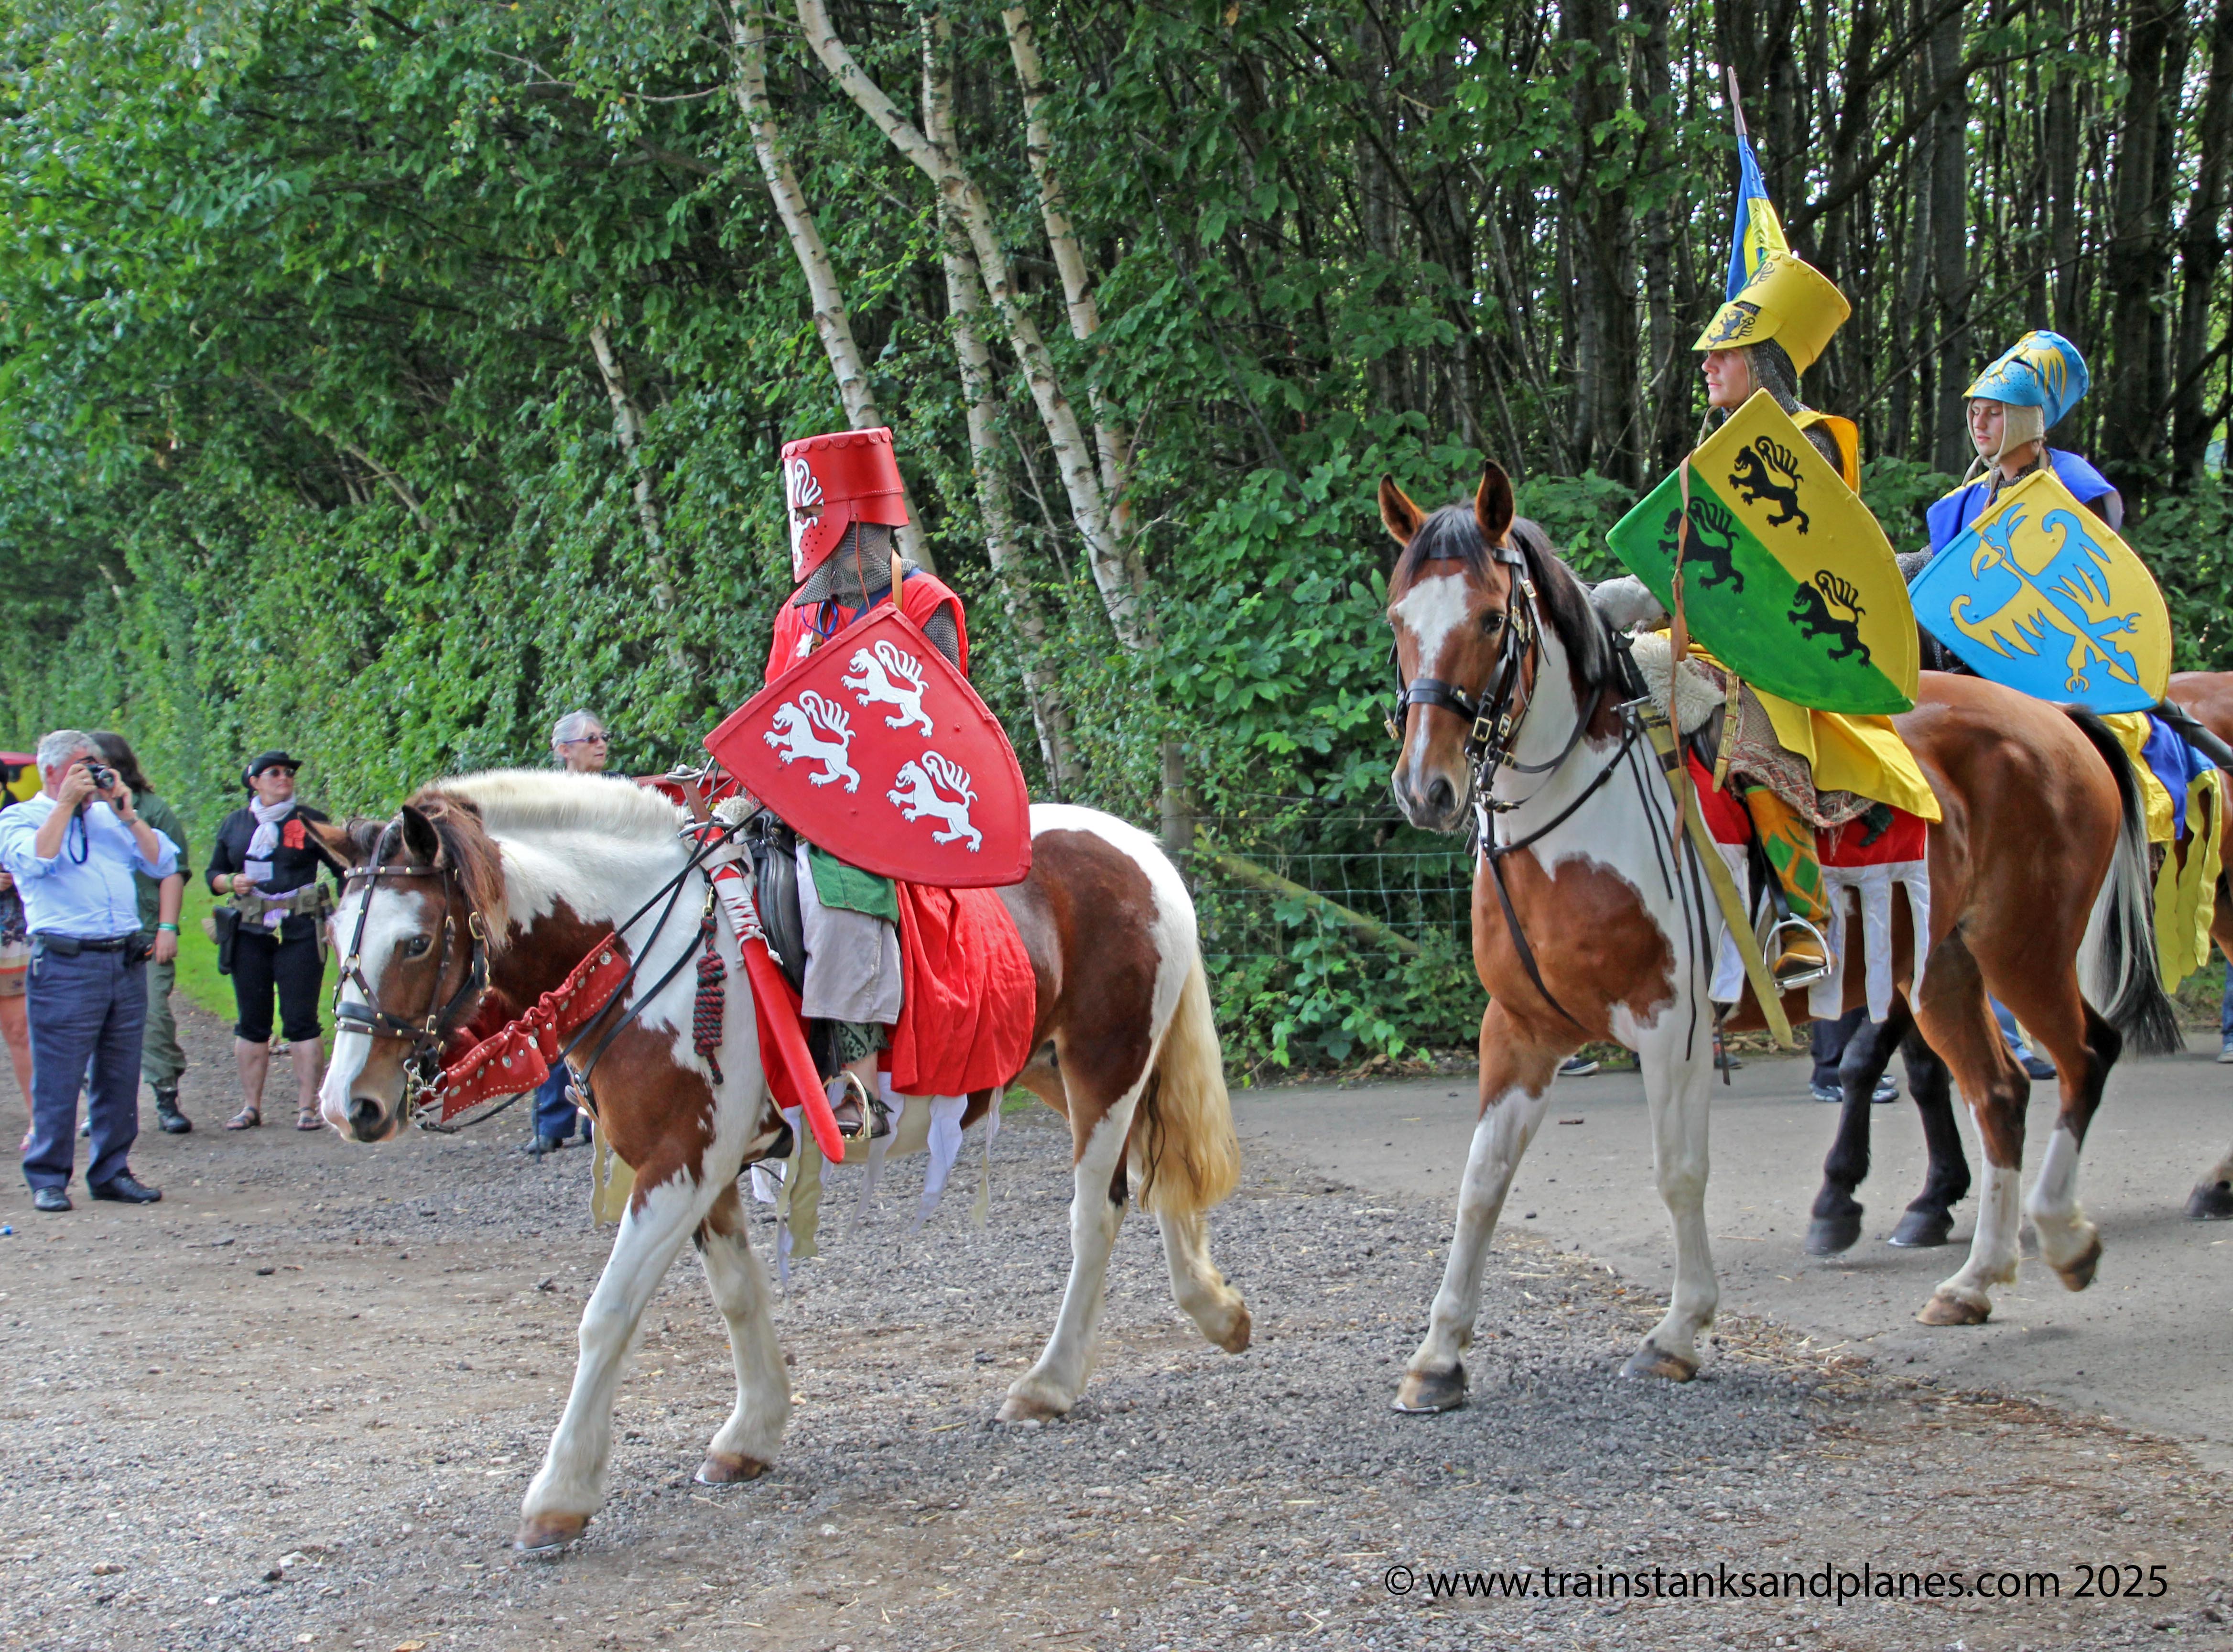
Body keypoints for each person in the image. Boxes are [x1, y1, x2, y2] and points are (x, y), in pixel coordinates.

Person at [766, 426, 967, 1137]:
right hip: (802, 802)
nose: (803, 529)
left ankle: (856, 1076)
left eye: (812, 514)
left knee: (842, 896)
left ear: (856, 517)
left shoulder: (921, 605)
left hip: (891, 810)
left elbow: (943, 726)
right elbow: (774, 714)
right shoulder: (799, 614)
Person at [0, 729, 178, 1211]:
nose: (93, 777)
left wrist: (127, 813)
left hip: (123, 958)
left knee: (119, 1074)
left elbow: (163, 862)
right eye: (83, 768)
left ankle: (111, 1171)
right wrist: (65, 805)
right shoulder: (20, 817)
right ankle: (48, 1177)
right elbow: (35, 860)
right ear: (52, 771)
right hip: (66, 962)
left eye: (97, 767)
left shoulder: (109, 817)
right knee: (59, 1075)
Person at [206, 751, 336, 1131]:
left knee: (302, 1020)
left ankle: (308, 1108)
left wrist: (344, 916)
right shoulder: (236, 823)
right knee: (252, 1021)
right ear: (254, 782)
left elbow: (344, 869)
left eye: (289, 772)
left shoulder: (310, 820)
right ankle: (251, 1107)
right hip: (249, 932)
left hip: (300, 930)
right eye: (274, 772)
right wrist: (230, 882)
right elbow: (213, 873)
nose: (284, 778)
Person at [90, 733, 192, 1133]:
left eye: (99, 764)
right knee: (91, 1020)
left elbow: (173, 872)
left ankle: (165, 1094)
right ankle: (96, 1104)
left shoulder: (151, 809)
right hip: (95, 933)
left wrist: (167, 927)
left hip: (145, 929)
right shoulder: (76, 811)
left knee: (154, 1017)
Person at [527, 710, 612, 1153]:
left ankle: (597, 1117)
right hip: (564, 922)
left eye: (603, 736)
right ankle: (551, 1124)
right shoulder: (545, 803)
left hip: (612, 917)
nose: (601, 744)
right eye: (590, 738)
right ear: (563, 750)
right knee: (555, 1016)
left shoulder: (620, 793)